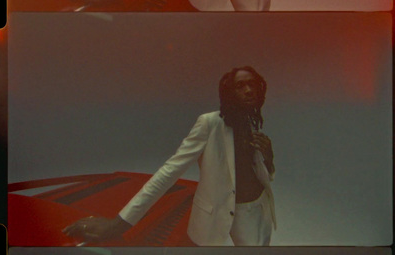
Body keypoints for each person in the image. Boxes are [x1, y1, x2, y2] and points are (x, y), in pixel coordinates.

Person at [63, 66, 276, 246]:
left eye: (252, 84)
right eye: (241, 86)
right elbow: (169, 172)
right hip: (221, 217)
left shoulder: (252, 124)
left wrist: (269, 158)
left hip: (260, 210)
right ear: (229, 92)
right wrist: (118, 224)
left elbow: (256, 174)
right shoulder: (210, 124)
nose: (249, 90)